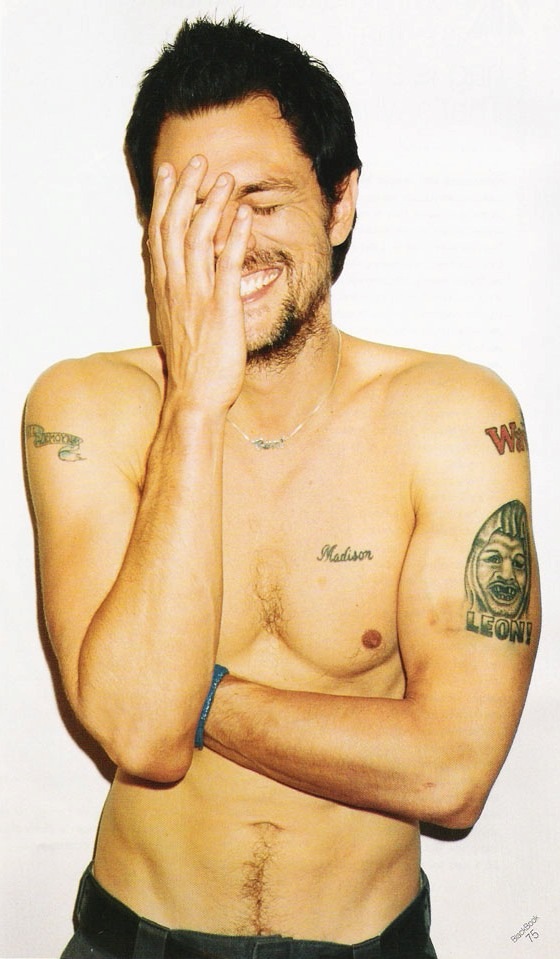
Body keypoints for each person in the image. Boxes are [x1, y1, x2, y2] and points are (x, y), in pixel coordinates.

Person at [25, 15, 540, 959]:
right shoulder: (87, 410)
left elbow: (453, 775)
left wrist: (194, 694)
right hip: (130, 936)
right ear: (151, 228)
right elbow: (140, 737)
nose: (231, 242)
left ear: (340, 204)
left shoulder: (453, 417)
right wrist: (195, 402)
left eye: (262, 199)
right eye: (195, 209)